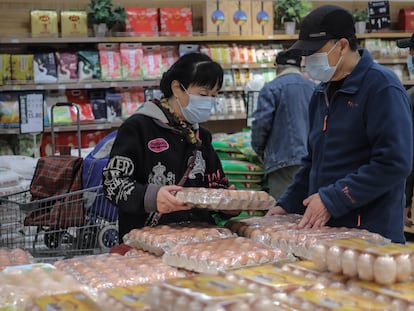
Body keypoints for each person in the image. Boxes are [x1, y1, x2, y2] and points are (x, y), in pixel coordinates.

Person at [266, 4, 413, 243]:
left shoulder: (381, 88)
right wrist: (286, 204)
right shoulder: (320, 93)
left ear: (342, 45)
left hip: (371, 233)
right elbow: (312, 162)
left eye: (315, 52)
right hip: (326, 233)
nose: (308, 61)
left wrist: (333, 199)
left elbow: (394, 162)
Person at [102, 52, 234, 239]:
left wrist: (228, 205)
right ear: (177, 88)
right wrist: (151, 197)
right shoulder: (139, 127)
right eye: (203, 94)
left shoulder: (201, 136)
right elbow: (113, 182)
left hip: (199, 243)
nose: (209, 102)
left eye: (214, 96)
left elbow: (215, 185)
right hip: (148, 241)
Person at [251, 50, 316, 200]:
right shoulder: (314, 88)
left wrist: (259, 150)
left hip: (283, 160)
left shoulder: (271, 88)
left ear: (278, 67)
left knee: (284, 216)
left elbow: (261, 124)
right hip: (312, 159)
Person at [397, 33, 414, 227]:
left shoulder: (410, 98)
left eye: (412, 51)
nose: (410, 56)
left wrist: (405, 201)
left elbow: (408, 155)